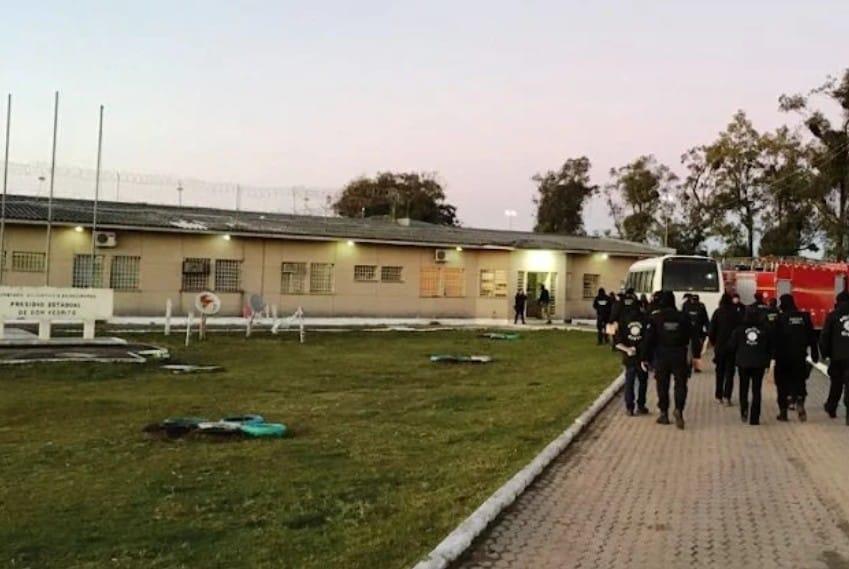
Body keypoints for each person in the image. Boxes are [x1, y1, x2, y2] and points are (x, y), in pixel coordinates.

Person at [642, 290, 692, 429]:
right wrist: (695, 355)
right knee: (680, 384)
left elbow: (649, 339)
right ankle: (679, 409)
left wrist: (645, 357)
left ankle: (664, 413)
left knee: (662, 384)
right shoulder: (683, 316)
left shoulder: (656, 317)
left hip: (662, 354)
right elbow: (691, 335)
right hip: (679, 353)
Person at [774, 294, 818, 422]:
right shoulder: (804, 317)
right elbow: (812, 336)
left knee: (781, 384)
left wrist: (771, 355)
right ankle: (799, 399)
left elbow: (774, 338)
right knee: (799, 380)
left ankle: (783, 412)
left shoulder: (780, 318)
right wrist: (814, 353)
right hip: (799, 355)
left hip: (783, 358)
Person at [729, 305, 773, 425]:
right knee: (756, 390)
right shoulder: (765, 329)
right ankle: (755, 418)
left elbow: (732, 346)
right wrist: (768, 361)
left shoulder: (739, 329)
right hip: (759, 363)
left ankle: (744, 409)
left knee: (743, 388)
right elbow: (770, 346)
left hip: (743, 363)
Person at [614, 290, 649, 416]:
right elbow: (648, 338)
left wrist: (628, 349)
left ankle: (629, 407)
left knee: (629, 381)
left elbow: (618, 341)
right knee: (643, 381)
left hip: (629, 356)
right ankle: (641, 405)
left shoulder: (623, 320)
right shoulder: (645, 319)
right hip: (642, 355)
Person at [820, 291, 849, 423]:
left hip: (837, 356)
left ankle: (831, 407)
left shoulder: (833, 315)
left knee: (836, 383)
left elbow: (825, 336)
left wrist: (825, 353)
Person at [709, 293, 742, 406]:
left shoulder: (717, 312)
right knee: (730, 372)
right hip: (732, 347)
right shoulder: (736, 313)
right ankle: (727, 396)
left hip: (720, 346)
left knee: (719, 372)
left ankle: (718, 396)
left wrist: (714, 342)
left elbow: (712, 330)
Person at [683, 293, 709, 373]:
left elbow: (705, 319)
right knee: (695, 350)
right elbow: (705, 319)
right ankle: (694, 366)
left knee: (693, 350)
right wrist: (708, 330)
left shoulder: (687, 305)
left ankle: (691, 366)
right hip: (695, 332)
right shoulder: (700, 306)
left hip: (691, 332)